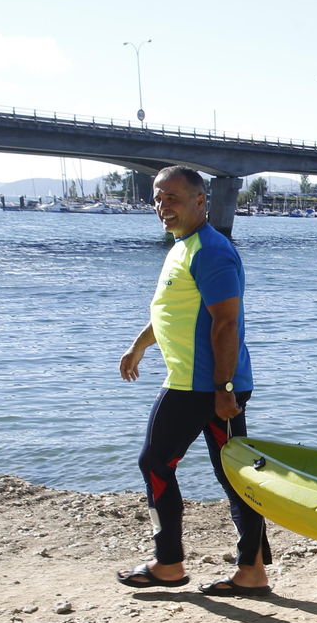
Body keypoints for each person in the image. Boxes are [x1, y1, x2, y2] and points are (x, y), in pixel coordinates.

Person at [115, 165, 271, 597]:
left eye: (173, 198)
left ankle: (169, 563)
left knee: (158, 463)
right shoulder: (183, 247)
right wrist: (140, 344)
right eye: (158, 198)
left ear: (202, 201)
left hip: (203, 388)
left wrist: (223, 391)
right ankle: (250, 570)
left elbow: (226, 323)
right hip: (196, 384)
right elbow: (174, 313)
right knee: (231, 474)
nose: (163, 206)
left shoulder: (211, 251)